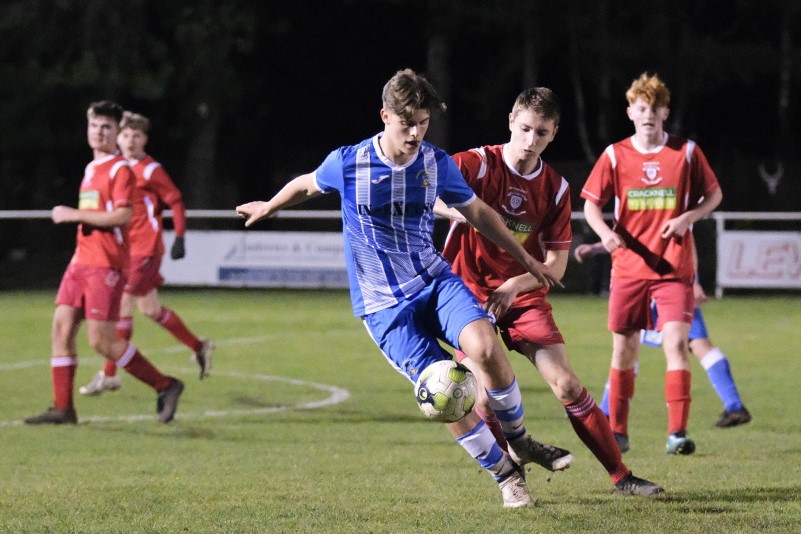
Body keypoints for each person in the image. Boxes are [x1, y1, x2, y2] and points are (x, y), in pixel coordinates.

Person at [236, 69, 572, 508]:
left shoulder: (435, 163)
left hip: (434, 282)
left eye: (424, 122)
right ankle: (506, 476)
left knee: (486, 347)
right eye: (407, 122)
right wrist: (270, 205)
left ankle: (520, 439)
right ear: (385, 116)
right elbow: (306, 183)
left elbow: (481, 213)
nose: (416, 133)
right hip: (383, 307)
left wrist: (527, 259)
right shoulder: (350, 161)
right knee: (444, 394)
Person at [436, 87, 663, 496]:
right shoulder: (476, 165)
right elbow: (424, 192)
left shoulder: (555, 189)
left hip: (520, 295)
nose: (529, 140)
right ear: (510, 121)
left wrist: (513, 285)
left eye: (541, 133)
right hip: (467, 295)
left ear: (553, 133)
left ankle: (622, 477)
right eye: (524, 129)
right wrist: (458, 210)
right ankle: (512, 478)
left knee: (568, 385)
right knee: (485, 401)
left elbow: (555, 267)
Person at [580, 73, 723, 455]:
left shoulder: (687, 152)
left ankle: (677, 433)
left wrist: (688, 217)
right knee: (624, 351)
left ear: (665, 112)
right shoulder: (614, 155)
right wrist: (605, 232)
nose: (648, 115)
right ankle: (620, 431)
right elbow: (591, 204)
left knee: (677, 344)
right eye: (641, 108)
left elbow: (714, 194)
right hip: (628, 269)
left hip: (674, 269)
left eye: (654, 109)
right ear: (630, 112)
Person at [26, 101, 184, 425]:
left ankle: (166, 385)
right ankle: (63, 408)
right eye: (94, 125)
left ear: (115, 133)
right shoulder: (90, 168)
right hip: (81, 262)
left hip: (106, 265)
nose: (99, 131)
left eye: (106, 127)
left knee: (102, 341)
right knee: (61, 328)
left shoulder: (119, 169)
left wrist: (74, 214)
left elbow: (123, 215)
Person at [78, 111, 213, 396]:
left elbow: (175, 200)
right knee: (150, 309)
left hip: (146, 248)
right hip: (129, 249)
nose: (130, 141)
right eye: (126, 135)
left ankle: (110, 374)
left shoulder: (150, 169)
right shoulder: (115, 168)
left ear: (145, 139)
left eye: (136, 136)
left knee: (123, 306)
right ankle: (199, 346)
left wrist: (179, 236)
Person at [574, 241, 751, 430]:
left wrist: (694, 282)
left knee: (628, 348)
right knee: (698, 344)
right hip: (673, 278)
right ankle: (734, 406)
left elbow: (679, 237)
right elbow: (634, 234)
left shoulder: (671, 213)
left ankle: (609, 413)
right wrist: (597, 248)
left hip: (656, 280)